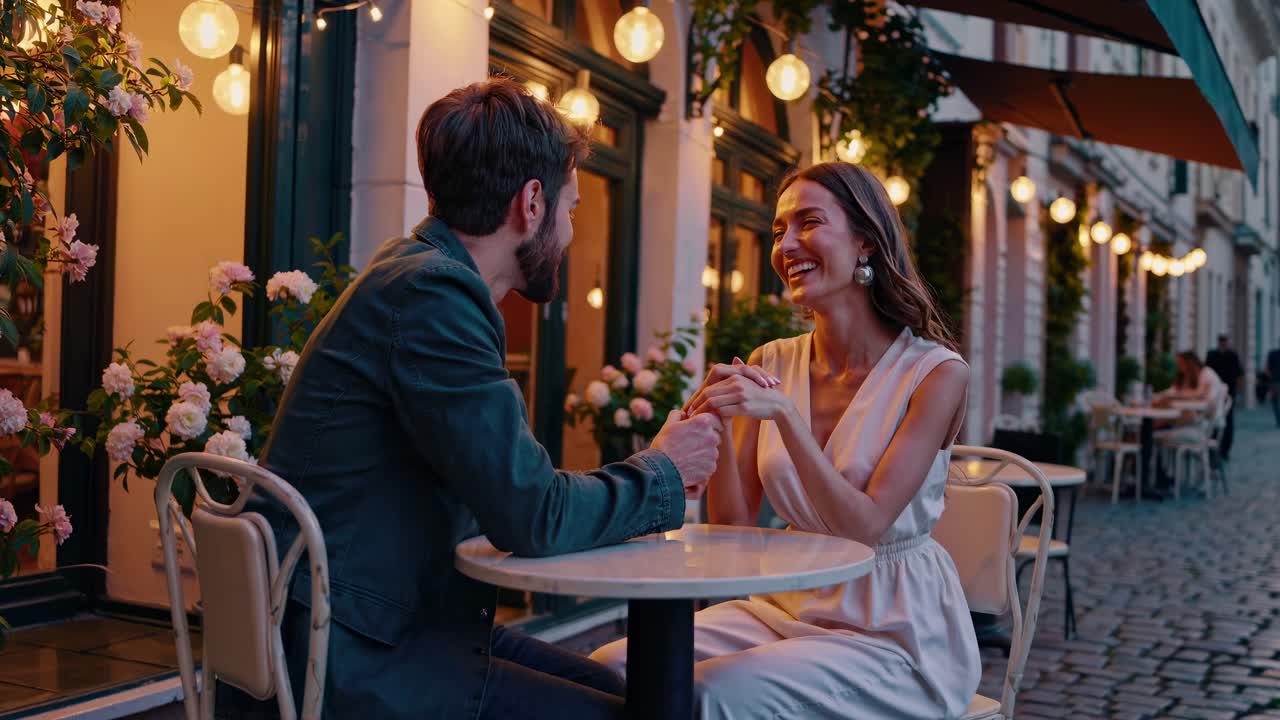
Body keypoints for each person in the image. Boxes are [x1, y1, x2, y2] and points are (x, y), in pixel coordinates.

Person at [229, 78, 723, 720]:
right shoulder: (434, 296)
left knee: (634, 694)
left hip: (363, 625)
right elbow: (533, 516)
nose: (570, 234)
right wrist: (666, 472)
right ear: (532, 203)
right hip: (352, 659)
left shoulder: (413, 273)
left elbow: (517, 494)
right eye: (571, 210)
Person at [592, 162, 978, 718]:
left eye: (809, 223)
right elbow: (733, 527)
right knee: (610, 669)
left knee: (708, 694)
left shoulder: (936, 374)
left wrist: (787, 418)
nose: (787, 244)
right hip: (786, 606)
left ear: (866, 241)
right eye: (778, 231)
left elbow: (865, 527)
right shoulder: (771, 361)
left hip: (892, 630)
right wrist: (718, 420)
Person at [1205, 334, 1243, 460]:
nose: (1223, 343)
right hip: (1215, 392)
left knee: (1227, 420)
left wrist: (1238, 390)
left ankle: (1224, 449)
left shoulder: (1232, 355)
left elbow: (1238, 374)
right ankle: (1214, 447)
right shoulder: (1212, 355)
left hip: (1228, 392)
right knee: (1216, 419)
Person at [1267, 342, 1280, 427]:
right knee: (1275, 401)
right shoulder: (1272, 354)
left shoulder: (1272, 354)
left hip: (1275, 381)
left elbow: (1267, 369)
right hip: (1275, 381)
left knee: (1275, 402)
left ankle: (1278, 420)